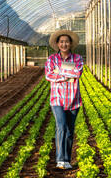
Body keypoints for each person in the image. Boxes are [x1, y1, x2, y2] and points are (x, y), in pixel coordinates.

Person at [45, 29, 83, 170]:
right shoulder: (52, 59)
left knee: (69, 131)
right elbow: (49, 75)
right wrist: (66, 75)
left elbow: (77, 73)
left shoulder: (78, 58)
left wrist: (58, 72)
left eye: (66, 41)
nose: (64, 44)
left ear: (70, 43)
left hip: (74, 99)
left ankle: (67, 160)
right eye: (61, 42)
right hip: (57, 99)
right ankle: (60, 160)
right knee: (61, 127)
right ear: (57, 44)